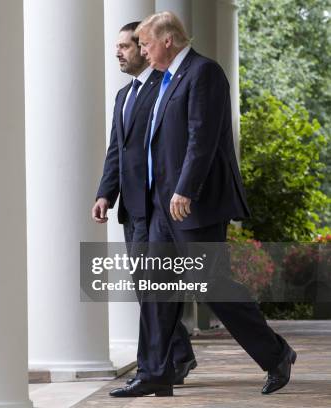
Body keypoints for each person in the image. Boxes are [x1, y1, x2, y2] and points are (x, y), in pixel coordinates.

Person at [108, 12, 296, 398]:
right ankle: (155, 372)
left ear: (167, 41)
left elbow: (201, 139)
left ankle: (276, 353)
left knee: (212, 286)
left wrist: (185, 190)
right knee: (157, 289)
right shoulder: (164, 81)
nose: (142, 50)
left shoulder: (203, 73)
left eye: (144, 44)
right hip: (161, 206)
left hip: (192, 205)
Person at [92, 22, 197, 386]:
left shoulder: (164, 88)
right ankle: (179, 354)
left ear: (143, 46)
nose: (118, 52)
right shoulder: (123, 96)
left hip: (157, 207)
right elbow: (116, 151)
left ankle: (168, 362)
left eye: (125, 45)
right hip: (131, 208)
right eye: (116, 47)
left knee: (157, 287)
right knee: (145, 288)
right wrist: (105, 193)